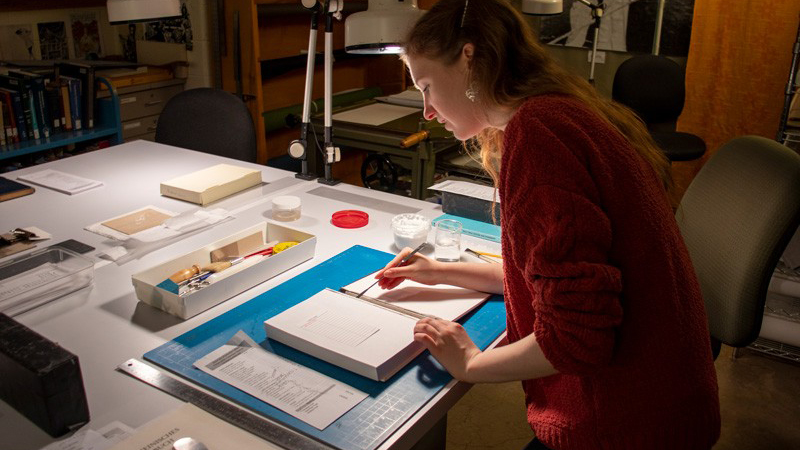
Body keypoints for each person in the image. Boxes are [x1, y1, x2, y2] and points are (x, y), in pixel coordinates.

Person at [374, 0, 721, 449]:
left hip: (629, 425)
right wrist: (438, 270)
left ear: (469, 57)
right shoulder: (557, 111)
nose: (427, 110)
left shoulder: (539, 138)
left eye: (425, 85)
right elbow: (548, 281)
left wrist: (471, 365)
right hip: (664, 399)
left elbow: (576, 339)